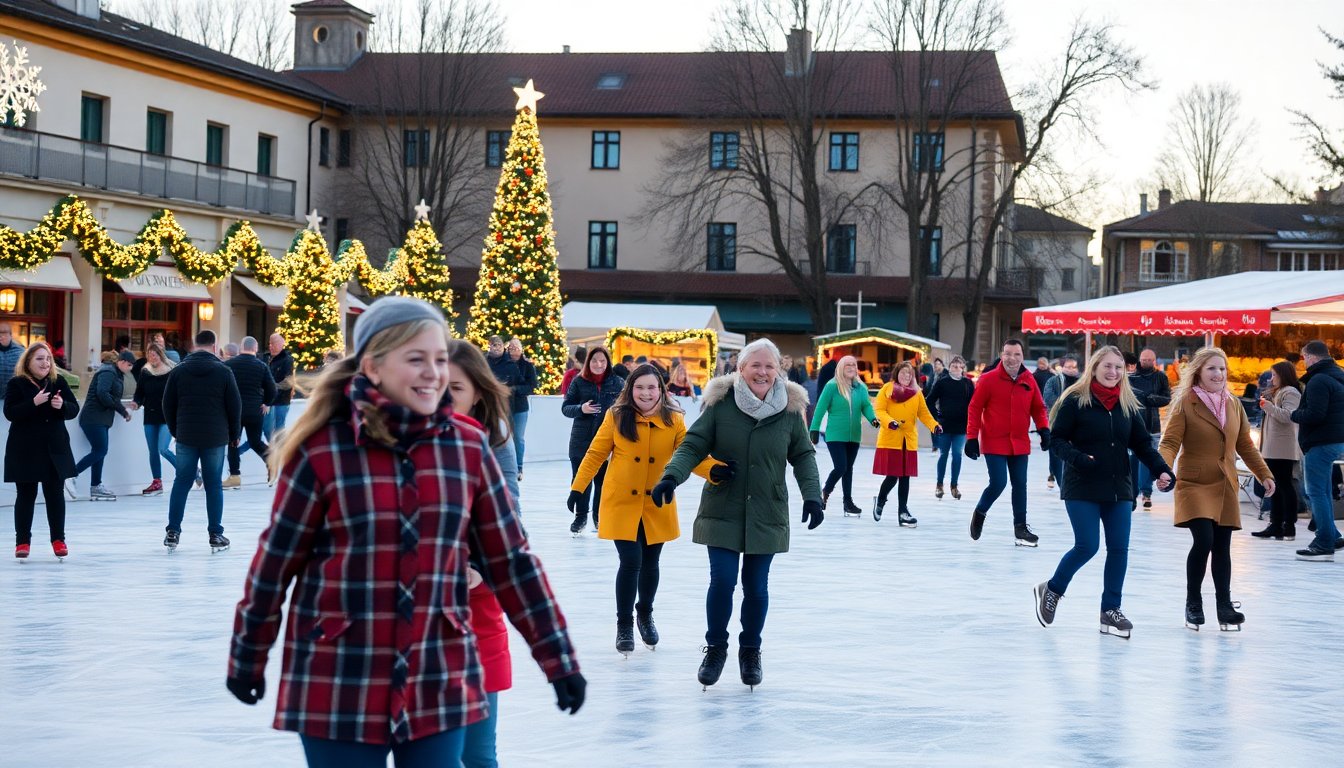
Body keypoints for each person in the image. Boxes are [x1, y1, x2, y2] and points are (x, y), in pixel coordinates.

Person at [226, 297, 584, 766]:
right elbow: (275, 564)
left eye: (439, 359)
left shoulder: (467, 447)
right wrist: (248, 654)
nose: (433, 373)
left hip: (437, 669)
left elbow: (511, 562)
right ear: (372, 366)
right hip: (340, 672)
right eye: (416, 359)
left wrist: (557, 658)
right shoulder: (324, 450)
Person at [655, 338, 821, 690]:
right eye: (755, 365)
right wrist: (671, 476)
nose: (762, 372)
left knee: (756, 586)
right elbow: (693, 445)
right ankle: (715, 648)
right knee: (723, 580)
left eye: (769, 365)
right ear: (740, 368)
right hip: (723, 507)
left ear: (778, 370)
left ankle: (750, 651)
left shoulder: (790, 410)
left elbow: (803, 455)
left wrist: (813, 496)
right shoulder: (721, 404)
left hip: (767, 508)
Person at [569, 364, 723, 655]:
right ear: (630, 390)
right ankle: (624, 624)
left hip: (656, 502)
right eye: (639, 387)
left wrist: (714, 470)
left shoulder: (674, 419)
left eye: (651, 387)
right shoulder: (616, 415)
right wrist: (578, 488)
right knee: (630, 561)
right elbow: (595, 453)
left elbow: (690, 454)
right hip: (621, 502)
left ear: (660, 390)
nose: (646, 393)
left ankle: (645, 613)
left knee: (651, 562)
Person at [1033, 346, 1173, 638]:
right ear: (1094, 367)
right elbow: (1057, 441)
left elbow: (1143, 445)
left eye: (1118, 367)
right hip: (1082, 485)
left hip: (1119, 486)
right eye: (1107, 366)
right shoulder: (1075, 400)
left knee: (1119, 549)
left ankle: (1111, 610)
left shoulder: (1127, 404)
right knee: (1087, 546)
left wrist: (1162, 470)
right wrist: (1078, 458)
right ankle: (1053, 588)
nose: (1113, 372)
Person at [1159, 347, 1273, 631]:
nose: (1218, 374)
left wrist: (1263, 474)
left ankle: (1224, 606)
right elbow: (1170, 442)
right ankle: (1193, 602)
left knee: (1222, 545)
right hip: (1194, 482)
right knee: (1204, 540)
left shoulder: (1233, 404)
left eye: (1222, 369)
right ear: (1198, 372)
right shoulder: (1186, 403)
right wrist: (1162, 469)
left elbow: (1245, 445)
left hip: (1225, 483)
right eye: (1211, 368)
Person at [964, 339, 1050, 547]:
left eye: (1017, 354)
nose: (1012, 358)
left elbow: (1038, 407)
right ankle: (980, 512)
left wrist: (1044, 428)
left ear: (1022, 356)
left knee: (1020, 484)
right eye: (1008, 354)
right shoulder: (988, 379)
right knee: (999, 482)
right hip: (994, 441)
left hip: (1019, 442)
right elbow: (975, 408)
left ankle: (1020, 528)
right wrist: (972, 437)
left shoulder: (1029, 379)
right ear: (1002, 355)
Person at [163, 330, 241, 552]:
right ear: (215, 346)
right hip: (215, 435)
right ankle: (215, 534)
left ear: (194, 345)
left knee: (182, 482)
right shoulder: (224, 371)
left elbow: (167, 404)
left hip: (186, 434)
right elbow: (235, 406)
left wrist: (175, 430)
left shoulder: (179, 371)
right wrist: (234, 434)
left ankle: (173, 531)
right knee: (213, 484)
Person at [5, 342, 79, 559]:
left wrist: (62, 406)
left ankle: (58, 539)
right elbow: (10, 412)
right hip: (25, 449)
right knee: (26, 495)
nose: (45, 363)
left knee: (55, 494)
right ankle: (22, 542)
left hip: (54, 448)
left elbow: (74, 409)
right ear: (28, 361)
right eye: (39, 358)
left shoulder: (58, 381)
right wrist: (33, 402)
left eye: (48, 359)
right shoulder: (17, 383)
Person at [1290, 340, 1344, 561]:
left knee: (1315, 492)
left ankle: (1323, 542)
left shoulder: (1318, 379)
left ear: (1311, 357)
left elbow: (1315, 414)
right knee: (1323, 491)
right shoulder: (1338, 375)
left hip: (1320, 442)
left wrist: (1294, 414)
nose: (1303, 362)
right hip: (1335, 440)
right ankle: (1333, 536)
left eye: (1304, 357)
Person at [562, 346, 625, 535]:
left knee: (602, 481)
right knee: (581, 478)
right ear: (588, 362)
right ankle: (581, 516)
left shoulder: (618, 382)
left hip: (607, 439)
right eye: (595, 361)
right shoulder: (579, 381)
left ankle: (599, 516)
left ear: (608, 362)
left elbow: (627, 407)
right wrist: (581, 409)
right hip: (581, 439)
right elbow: (566, 407)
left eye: (602, 361)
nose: (599, 364)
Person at [446, 340, 518, 504]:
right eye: (439, 385)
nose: (445, 396)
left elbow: (509, 500)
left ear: (477, 394)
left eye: (456, 388)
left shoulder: (495, 432)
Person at [872, 361, 941, 526]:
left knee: (905, 477)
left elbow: (924, 413)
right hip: (891, 438)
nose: (906, 376)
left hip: (908, 440)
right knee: (893, 476)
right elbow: (879, 410)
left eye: (909, 373)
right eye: (903, 372)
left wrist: (934, 426)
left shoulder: (917, 393)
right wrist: (890, 422)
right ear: (897, 374)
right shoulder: (887, 389)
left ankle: (903, 512)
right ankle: (880, 500)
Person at [808, 355, 877, 517]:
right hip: (835, 434)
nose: (851, 367)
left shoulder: (861, 387)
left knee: (848, 469)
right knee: (841, 467)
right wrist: (814, 429)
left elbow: (866, 406)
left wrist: (873, 419)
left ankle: (848, 502)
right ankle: (825, 491)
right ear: (840, 367)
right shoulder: (832, 386)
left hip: (854, 435)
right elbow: (820, 408)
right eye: (847, 365)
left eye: (853, 364)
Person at [72, 350, 135, 499]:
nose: (130, 368)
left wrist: (122, 411)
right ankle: (71, 474)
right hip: (93, 418)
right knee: (100, 450)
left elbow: (111, 396)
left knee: (99, 451)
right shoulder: (108, 371)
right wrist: (122, 410)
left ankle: (96, 486)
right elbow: (102, 393)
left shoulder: (115, 373)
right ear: (122, 362)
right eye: (129, 365)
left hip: (101, 418)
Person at [1253, 361, 1303, 540]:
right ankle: (1276, 524)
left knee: (1283, 484)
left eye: (1274, 375)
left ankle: (1288, 525)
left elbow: (1289, 416)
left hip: (1282, 447)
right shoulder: (1280, 391)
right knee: (1275, 485)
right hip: (1273, 446)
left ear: (1283, 375)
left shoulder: (1291, 392)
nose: (1271, 378)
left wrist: (1269, 406)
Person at [223, 336, 276, 489]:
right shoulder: (261, 366)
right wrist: (266, 403)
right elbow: (272, 389)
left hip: (235, 411)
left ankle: (234, 476)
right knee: (255, 441)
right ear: (255, 348)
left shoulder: (229, 364)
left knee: (233, 442)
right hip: (255, 410)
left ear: (241, 347)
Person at [926, 356, 976, 500]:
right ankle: (939, 484)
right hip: (944, 426)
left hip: (961, 426)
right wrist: (937, 416)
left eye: (959, 366)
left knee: (957, 455)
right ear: (949, 367)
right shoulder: (942, 382)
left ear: (963, 368)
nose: (956, 368)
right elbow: (929, 400)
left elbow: (974, 404)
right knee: (943, 454)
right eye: (954, 365)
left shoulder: (968, 384)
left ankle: (954, 485)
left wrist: (971, 421)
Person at [1128, 348, 1172, 510]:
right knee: (1133, 460)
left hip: (1152, 424)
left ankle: (1146, 493)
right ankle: (1132, 494)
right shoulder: (1130, 377)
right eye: (1143, 359)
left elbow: (1166, 398)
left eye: (1149, 360)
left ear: (1154, 361)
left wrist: (1148, 399)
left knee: (1149, 459)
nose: (1146, 362)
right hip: (1133, 424)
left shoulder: (1160, 377)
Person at [133, 343, 176, 496]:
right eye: (150, 355)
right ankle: (157, 482)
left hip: (167, 416)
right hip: (150, 415)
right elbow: (139, 392)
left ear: (160, 355)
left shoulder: (171, 370)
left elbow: (178, 392)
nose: (152, 358)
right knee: (153, 451)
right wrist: (136, 402)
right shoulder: (145, 371)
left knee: (163, 448)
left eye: (155, 354)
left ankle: (189, 471)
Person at [1043, 355, 1080, 491]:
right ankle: (1060, 482)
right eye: (1068, 367)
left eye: (1074, 367)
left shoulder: (1082, 381)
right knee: (1057, 454)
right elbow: (1048, 398)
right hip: (1058, 422)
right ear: (1062, 367)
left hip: (1078, 424)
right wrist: (1066, 407)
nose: (1071, 369)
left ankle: (1071, 483)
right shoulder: (1053, 381)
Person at [505, 338, 535, 482]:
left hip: (520, 407)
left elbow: (531, 386)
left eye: (516, 348)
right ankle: (506, 466)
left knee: (518, 437)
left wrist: (515, 389)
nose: (514, 350)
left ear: (521, 349)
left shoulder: (527, 365)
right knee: (504, 436)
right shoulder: (503, 364)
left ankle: (518, 467)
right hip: (504, 406)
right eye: (511, 348)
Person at [262, 334, 294, 440]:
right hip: (267, 400)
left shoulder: (287, 359)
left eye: (273, 343)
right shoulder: (265, 357)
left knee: (279, 429)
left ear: (281, 344)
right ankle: (273, 447)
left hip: (281, 400)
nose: (270, 346)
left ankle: (278, 448)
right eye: (269, 343)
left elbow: (288, 382)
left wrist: (270, 386)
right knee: (266, 429)